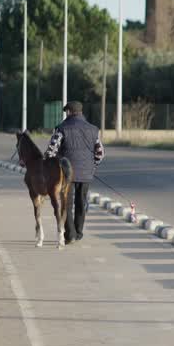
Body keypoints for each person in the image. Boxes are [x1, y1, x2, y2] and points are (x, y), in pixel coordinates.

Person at [43, 101, 104, 244]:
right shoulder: (93, 129)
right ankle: (78, 232)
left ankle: (70, 234)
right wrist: (92, 165)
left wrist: (47, 163)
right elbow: (100, 153)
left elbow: (51, 151)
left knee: (67, 204)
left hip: (66, 173)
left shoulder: (62, 128)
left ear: (69, 112)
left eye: (66, 112)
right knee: (81, 203)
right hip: (86, 174)